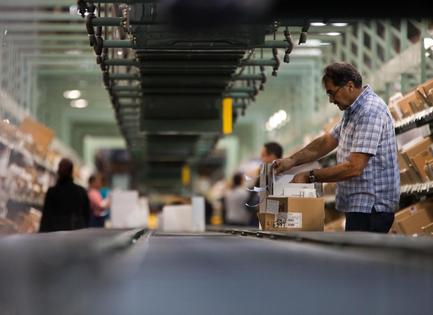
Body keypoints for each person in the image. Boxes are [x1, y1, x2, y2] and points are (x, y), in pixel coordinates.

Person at [273, 62, 399, 233]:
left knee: (360, 258)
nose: (331, 100)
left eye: (332, 93)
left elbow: (354, 168)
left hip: (371, 208)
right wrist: (291, 161)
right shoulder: (353, 112)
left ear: (349, 86)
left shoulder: (370, 112)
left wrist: (310, 176)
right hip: (360, 206)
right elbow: (327, 141)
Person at [39, 158, 90, 232]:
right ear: (71, 172)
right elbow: (86, 216)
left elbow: (46, 218)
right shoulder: (81, 191)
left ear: (58, 171)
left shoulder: (52, 192)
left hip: (56, 234)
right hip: (76, 234)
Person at [246, 142, 283, 226]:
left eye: (263, 155)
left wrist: (266, 207)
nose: (261, 159)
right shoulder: (261, 176)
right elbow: (249, 201)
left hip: (272, 224)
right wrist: (256, 207)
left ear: (272, 156)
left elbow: (283, 204)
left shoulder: (282, 177)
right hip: (256, 223)